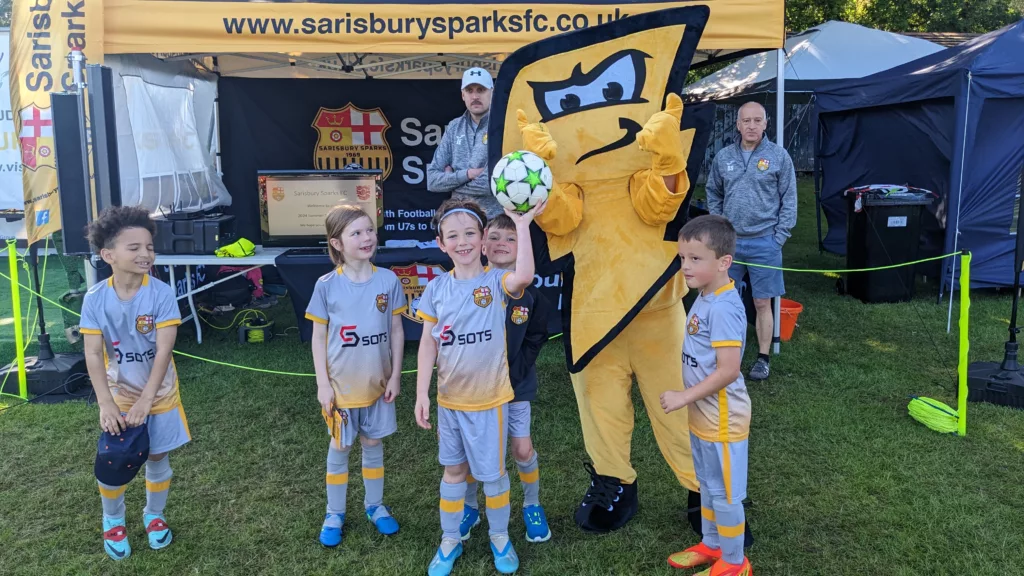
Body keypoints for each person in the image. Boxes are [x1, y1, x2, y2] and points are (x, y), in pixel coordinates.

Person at [414, 198, 545, 576]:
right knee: (453, 473)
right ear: (441, 244)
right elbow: (428, 342)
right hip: (450, 401)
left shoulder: (496, 281)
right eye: (452, 236)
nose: (462, 241)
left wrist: (523, 225)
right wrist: (422, 393)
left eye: (470, 233)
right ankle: (450, 540)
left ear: (482, 238)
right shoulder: (436, 289)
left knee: (493, 476)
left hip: (490, 400)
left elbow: (523, 276)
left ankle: (500, 537)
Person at [81, 206, 190, 561]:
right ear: (107, 255)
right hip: (120, 394)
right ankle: (112, 521)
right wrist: (106, 403)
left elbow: (163, 351)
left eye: (149, 247)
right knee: (115, 460)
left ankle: (154, 515)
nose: (145, 254)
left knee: (157, 455)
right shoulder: (95, 298)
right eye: (134, 248)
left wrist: (147, 400)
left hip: (159, 394)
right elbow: (94, 355)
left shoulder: (160, 294)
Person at [304, 204, 407, 548]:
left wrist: (395, 376)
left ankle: (375, 506)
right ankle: (334, 512)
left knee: (373, 443)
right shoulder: (326, 285)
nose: (367, 238)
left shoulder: (388, 280)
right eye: (356, 233)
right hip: (341, 387)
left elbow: (395, 328)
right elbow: (318, 337)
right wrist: (322, 384)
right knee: (341, 444)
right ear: (336, 243)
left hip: (377, 385)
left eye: (369, 230)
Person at [661, 215, 752, 576]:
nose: (686, 266)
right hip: (703, 417)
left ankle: (734, 562)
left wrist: (684, 397)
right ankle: (712, 545)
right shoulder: (705, 295)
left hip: (724, 421)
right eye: (683, 258)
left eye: (696, 259)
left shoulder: (726, 307)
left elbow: (728, 370)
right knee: (709, 485)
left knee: (727, 495)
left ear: (723, 262)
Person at [458, 214, 553, 543]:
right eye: (495, 237)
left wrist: (516, 370)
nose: (501, 244)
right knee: (472, 453)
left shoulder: (528, 294)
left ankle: (532, 503)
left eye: (510, 239)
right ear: (482, 243)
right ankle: (470, 507)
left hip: (516, 386)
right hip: (474, 389)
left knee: (522, 449)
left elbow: (536, 336)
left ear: (522, 247)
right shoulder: (467, 284)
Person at [705, 101, 797, 382]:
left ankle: (763, 358)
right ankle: (724, 356)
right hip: (729, 245)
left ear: (766, 124)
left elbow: (790, 200)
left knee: (761, 303)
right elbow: (713, 192)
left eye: (758, 120)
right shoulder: (724, 157)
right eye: (746, 121)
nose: (752, 126)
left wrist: (779, 238)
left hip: (765, 242)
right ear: (738, 124)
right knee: (724, 301)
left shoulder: (779, 157)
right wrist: (720, 230)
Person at [426, 67, 503, 219]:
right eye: (469, 90)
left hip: (496, 223)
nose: (475, 96)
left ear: (492, 93)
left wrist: (453, 180)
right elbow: (432, 181)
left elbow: (497, 185)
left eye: (481, 90)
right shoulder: (454, 127)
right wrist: (468, 174)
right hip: (460, 219)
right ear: (463, 95)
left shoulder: (503, 126)